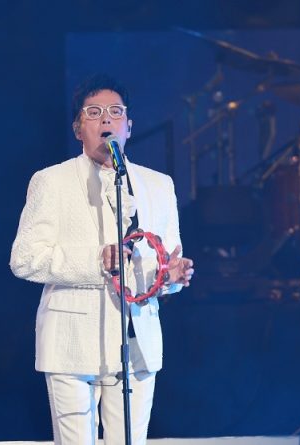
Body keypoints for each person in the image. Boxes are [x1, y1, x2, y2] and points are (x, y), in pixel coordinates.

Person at [10, 74, 194, 445]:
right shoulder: (51, 181)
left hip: (137, 343)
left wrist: (170, 276)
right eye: (93, 112)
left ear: (129, 126)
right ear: (78, 128)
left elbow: (164, 260)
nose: (105, 119)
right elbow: (25, 258)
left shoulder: (159, 185)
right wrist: (96, 261)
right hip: (73, 343)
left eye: (115, 111)